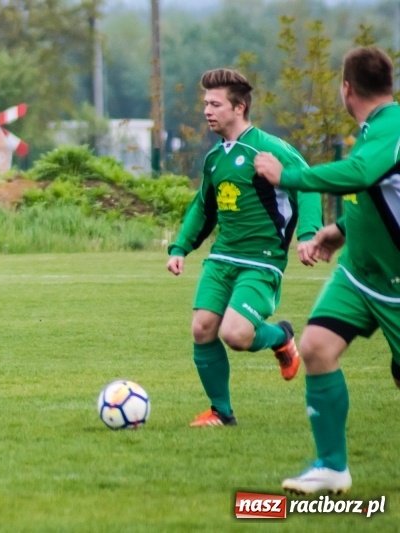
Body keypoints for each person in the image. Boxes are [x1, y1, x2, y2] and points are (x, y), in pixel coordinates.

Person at [255, 46, 400, 495]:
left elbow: (360, 172)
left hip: (396, 286)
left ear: (346, 88)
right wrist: (338, 229)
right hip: (360, 275)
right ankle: (332, 467)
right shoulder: (377, 127)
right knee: (316, 347)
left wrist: (289, 177)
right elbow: (381, 193)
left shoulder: (393, 127)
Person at [166, 68, 323, 427]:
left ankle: (280, 336)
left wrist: (308, 235)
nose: (207, 110)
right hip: (221, 259)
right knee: (202, 328)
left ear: (239, 108)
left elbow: (309, 184)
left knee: (235, 335)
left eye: (215, 104)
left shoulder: (269, 149)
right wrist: (179, 249)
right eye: (205, 103)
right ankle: (221, 412)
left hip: (261, 262)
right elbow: (202, 208)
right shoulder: (214, 158)